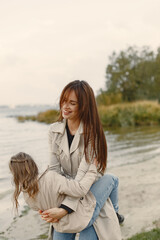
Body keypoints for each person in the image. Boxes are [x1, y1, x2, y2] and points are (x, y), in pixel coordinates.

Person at [40, 80, 123, 240]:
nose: (65, 106)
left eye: (72, 103)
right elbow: (54, 172)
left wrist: (64, 209)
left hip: (91, 185)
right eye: (64, 101)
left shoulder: (93, 133)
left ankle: (114, 210)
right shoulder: (53, 131)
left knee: (88, 227)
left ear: (84, 106)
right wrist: (50, 204)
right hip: (68, 188)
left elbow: (84, 176)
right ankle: (115, 210)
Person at [9, 152, 120, 240]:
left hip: (61, 225)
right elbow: (80, 190)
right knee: (112, 178)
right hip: (82, 216)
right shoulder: (50, 177)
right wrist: (92, 169)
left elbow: (39, 209)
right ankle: (116, 213)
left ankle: (116, 213)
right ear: (33, 165)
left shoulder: (27, 195)